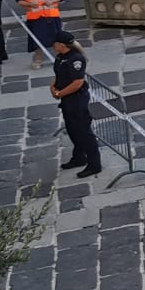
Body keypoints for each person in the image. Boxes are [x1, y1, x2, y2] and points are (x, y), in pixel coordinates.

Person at [51, 31, 101, 179]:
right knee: (72, 130)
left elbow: (77, 83)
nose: (53, 45)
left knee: (84, 132)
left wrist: (59, 93)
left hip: (76, 100)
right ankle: (79, 157)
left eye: (55, 43)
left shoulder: (75, 59)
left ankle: (94, 164)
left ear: (61, 45)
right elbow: (59, 75)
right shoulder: (61, 57)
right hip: (67, 100)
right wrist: (53, 87)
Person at [17, 0, 62, 68]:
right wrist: (29, 4)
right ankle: (38, 59)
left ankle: (60, 57)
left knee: (57, 39)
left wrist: (51, 1)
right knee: (37, 40)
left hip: (51, 16)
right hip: (35, 18)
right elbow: (19, 1)